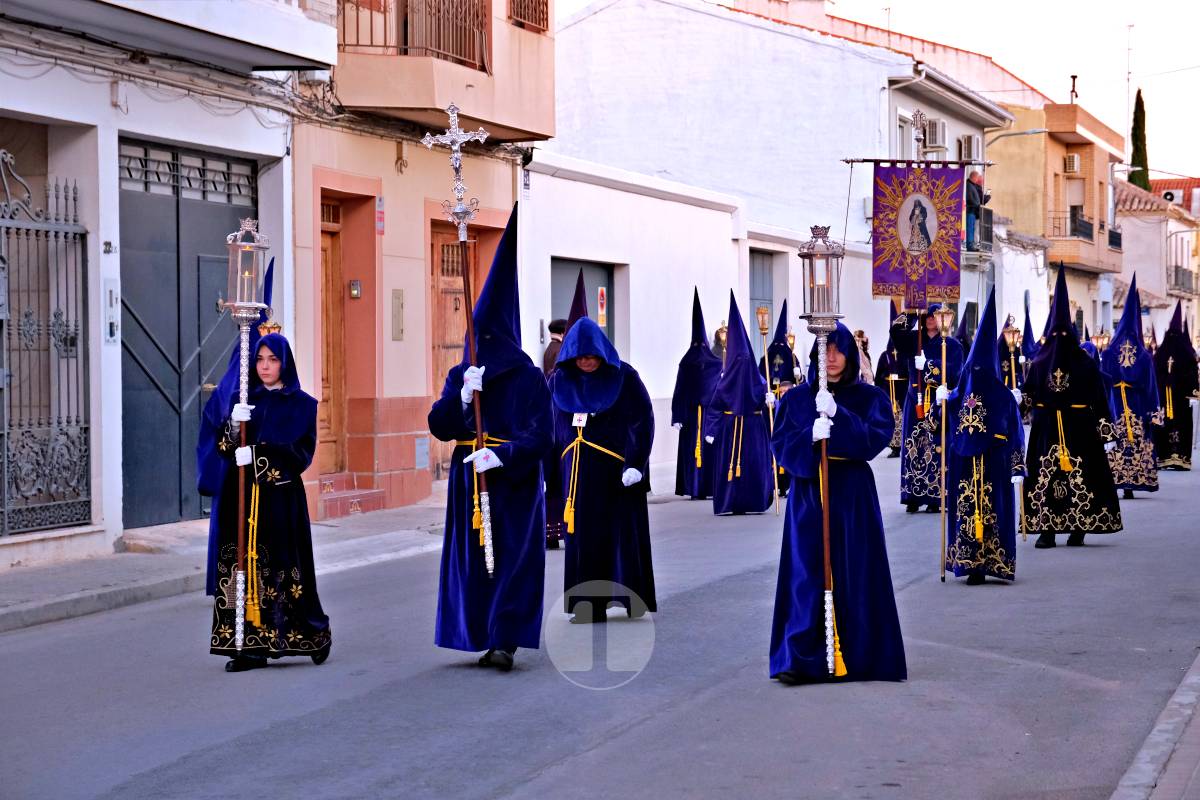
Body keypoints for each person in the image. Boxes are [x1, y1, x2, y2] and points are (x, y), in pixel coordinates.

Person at [427, 206, 552, 672]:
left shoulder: (528, 378)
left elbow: (542, 436)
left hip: (512, 485)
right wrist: (462, 398)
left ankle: (505, 638)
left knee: (511, 559)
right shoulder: (463, 373)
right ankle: (478, 630)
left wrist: (502, 456)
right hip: (468, 484)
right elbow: (440, 424)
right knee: (473, 562)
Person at [768, 322, 906, 684]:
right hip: (809, 495)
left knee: (855, 569)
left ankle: (858, 653)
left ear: (849, 353)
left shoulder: (869, 397)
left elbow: (877, 438)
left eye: (838, 350)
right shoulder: (796, 399)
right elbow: (780, 445)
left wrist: (840, 416)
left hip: (852, 496)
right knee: (806, 572)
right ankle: (801, 656)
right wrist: (810, 436)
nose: (830, 358)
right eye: (823, 351)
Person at [207, 332, 332, 672]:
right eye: (260, 360)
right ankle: (247, 646)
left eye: (272, 360)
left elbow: (301, 454)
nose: (265, 366)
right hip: (242, 498)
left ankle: (311, 635)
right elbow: (223, 449)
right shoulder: (244, 400)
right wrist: (233, 426)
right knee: (242, 568)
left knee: (284, 568)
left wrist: (260, 455)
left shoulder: (303, 405)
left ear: (284, 363)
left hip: (280, 500)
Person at [551, 317, 656, 623]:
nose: (586, 362)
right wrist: (548, 474)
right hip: (578, 478)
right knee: (583, 541)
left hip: (617, 473)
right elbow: (551, 428)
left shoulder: (625, 376)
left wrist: (636, 463)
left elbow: (642, 419)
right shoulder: (558, 380)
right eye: (580, 357)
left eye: (592, 356)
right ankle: (587, 604)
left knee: (623, 537)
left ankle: (631, 596)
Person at [1024, 267, 1122, 548]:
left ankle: (1076, 526)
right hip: (1054, 429)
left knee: (1079, 475)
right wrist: (1015, 404)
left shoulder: (1075, 363)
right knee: (1049, 476)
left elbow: (1098, 397)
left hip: (1075, 428)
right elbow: (1029, 396)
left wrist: (1106, 433)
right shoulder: (1043, 363)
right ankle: (1049, 530)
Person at [945, 290, 1026, 585]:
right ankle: (970, 563)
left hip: (995, 460)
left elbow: (1016, 431)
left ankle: (993, 561)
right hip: (965, 460)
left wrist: (1018, 467)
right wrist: (940, 403)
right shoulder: (959, 392)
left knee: (995, 509)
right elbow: (939, 423)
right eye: (973, 369)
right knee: (967, 508)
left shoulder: (1003, 396)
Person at [705, 293, 775, 515]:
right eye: (738, 361)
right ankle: (730, 502)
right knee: (729, 466)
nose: (742, 365)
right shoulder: (724, 382)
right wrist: (711, 429)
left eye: (745, 360)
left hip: (754, 429)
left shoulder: (759, 380)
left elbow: (768, 408)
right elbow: (715, 406)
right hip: (729, 427)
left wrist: (770, 402)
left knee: (753, 466)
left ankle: (755, 501)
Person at [892, 304, 964, 513]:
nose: (931, 319)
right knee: (914, 446)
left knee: (936, 447)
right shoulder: (915, 340)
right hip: (915, 399)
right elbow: (896, 332)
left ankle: (935, 497)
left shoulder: (952, 345)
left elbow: (955, 372)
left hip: (938, 400)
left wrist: (929, 365)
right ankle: (912, 495)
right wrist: (914, 310)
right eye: (928, 316)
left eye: (936, 316)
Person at [1100, 276, 1161, 498]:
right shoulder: (1144, 356)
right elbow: (1151, 386)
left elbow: (1102, 381)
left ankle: (1118, 481)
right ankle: (1133, 482)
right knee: (1136, 440)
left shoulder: (1108, 353)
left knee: (1117, 441)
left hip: (1115, 403)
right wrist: (1154, 412)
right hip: (1137, 405)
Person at [672, 288, 722, 499]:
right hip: (691, 418)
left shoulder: (716, 364)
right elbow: (680, 390)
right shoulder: (686, 363)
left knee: (707, 453)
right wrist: (677, 415)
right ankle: (693, 488)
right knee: (692, 454)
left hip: (708, 417)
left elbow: (719, 391)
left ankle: (707, 487)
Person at [1154, 302, 1199, 469]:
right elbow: (1192, 373)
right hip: (1180, 399)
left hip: (1166, 399)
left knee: (1166, 425)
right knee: (1182, 425)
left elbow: (1155, 373)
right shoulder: (1187, 353)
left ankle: (1165, 457)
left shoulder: (1160, 353)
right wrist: (1192, 392)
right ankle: (1180, 458)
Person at [874, 301, 908, 458]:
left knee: (902, 417)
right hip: (890, 391)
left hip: (902, 391)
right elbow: (878, 375)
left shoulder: (906, 354)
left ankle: (903, 444)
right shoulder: (884, 355)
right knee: (891, 418)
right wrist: (884, 384)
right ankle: (893, 446)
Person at [965, 170, 990, 252]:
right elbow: (972, 199)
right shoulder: (969, 186)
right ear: (974, 177)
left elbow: (976, 199)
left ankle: (972, 245)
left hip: (973, 211)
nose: (978, 180)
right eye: (977, 178)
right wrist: (978, 204)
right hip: (971, 211)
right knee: (971, 230)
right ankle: (970, 246)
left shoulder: (972, 185)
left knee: (973, 230)